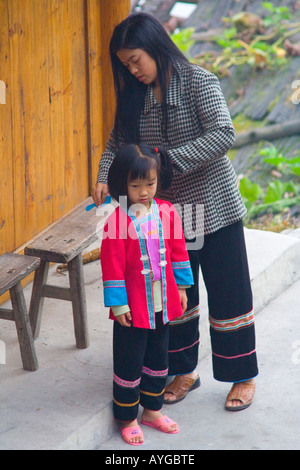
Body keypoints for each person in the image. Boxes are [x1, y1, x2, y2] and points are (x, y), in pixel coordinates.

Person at [93, 12, 258, 413]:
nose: (133, 70)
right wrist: (103, 175)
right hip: (164, 218)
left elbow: (224, 133)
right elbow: (118, 142)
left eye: (136, 60)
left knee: (228, 292)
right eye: (126, 64)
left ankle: (241, 375)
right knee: (172, 293)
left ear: (155, 47)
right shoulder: (134, 95)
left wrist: (166, 163)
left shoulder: (198, 80)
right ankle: (184, 371)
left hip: (212, 206)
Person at [100, 143, 194, 445]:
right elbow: (112, 267)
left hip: (162, 303)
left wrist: (180, 288)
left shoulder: (167, 213)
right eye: (135, 185)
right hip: (132, 308)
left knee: (157, 358)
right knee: (129, 361)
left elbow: (179, 252)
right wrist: (118, 305)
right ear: (121, 184)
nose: (144, 192)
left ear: (158, 180)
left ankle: (153, 410)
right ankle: (127, 417)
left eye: (150, 184)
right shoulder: (117, 222)